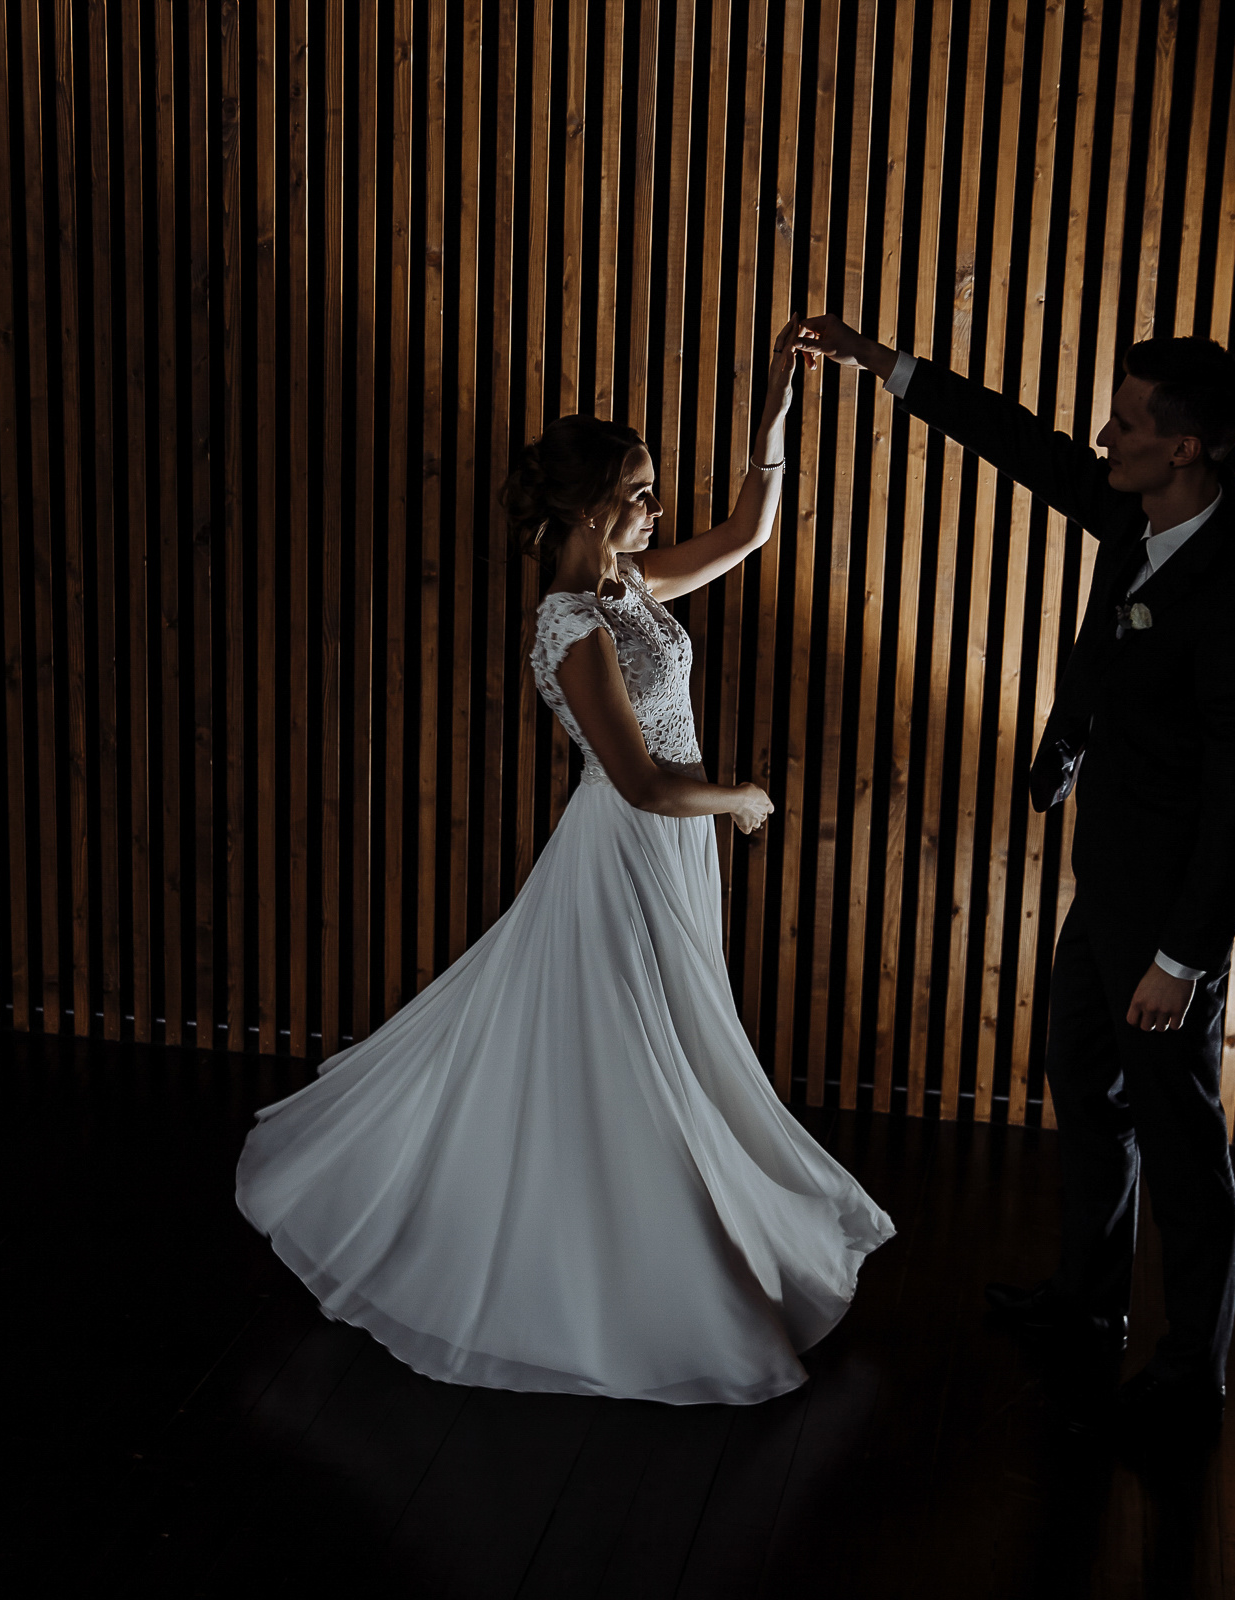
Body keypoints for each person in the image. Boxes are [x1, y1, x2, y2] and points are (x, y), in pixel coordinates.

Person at [234, 319, 893, 1406]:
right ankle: (635, 1267)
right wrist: (742, 797)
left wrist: (774, 410)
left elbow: (747, 532)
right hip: (631, 849)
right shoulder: (569, 624)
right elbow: (640, 783)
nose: (657, 507)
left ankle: (677, 1233)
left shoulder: (630, 586)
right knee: (630, 1047)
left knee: (670, 1035)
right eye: (640, 493)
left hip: (673, 848)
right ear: (591, 509)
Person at [798, 318, 1235, 1443]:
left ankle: (1192, 1372)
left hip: (1166, 920)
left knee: (1180, 1133)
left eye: (1126, 423)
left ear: (1187, 448)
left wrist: (1182, 960)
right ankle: (1089, 1300)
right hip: (1107, 880)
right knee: (1080, 1071)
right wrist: (882, 364)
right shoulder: (1135, 511)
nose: (1104, 438)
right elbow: (1024, 445)